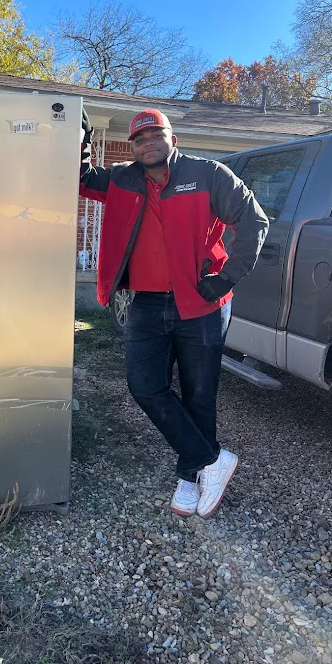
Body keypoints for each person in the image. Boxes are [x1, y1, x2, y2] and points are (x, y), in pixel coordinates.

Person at [80, 108, 269, 518]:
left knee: (200, 393)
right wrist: (76, 136)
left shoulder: (208, 174)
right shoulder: (123, 177)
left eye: (155, 135)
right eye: (139, 139)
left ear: (172, 138)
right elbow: (80, 179)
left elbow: (254, 221)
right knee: (145, 385)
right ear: (132, 147)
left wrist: (226, 278)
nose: (148, 143)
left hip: (201, 302)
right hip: (147, 303)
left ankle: (190, 475)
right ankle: (212, 460)